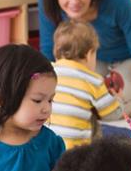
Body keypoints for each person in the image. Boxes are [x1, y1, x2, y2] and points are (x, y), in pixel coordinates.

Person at [49, 20, 123, 149]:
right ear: (89, 54)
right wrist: (118, 99)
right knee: (94, 122)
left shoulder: (48, 72)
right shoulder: (93, 80)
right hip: (77, 153)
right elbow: (112, 115)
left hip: (47, 148)